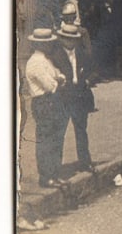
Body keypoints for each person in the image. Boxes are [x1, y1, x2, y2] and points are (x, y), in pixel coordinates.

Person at [23, 28, 70, 187]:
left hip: (52, 100)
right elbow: (50, 85)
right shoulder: (35, 62)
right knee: (46, 140)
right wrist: (58, 81)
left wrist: (59, 80)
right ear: (40, 44)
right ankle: (46, 176)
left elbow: (58, 74)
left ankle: (55, 173)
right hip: (43, 102)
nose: (50, 45)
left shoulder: (46, 59)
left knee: (56, 138)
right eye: (48, 43)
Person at [53, 23, 95, 174]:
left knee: (81, 130)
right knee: (60, 132)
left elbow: (90, 67)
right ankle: (56, 167)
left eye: (73, 39)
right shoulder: (55, 55)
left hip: (79, 96)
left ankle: (85, 162)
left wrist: (87, 79)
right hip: (63, 98)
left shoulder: (81, 52)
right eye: (67, 39)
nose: (71, 42)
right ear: (62, 39)